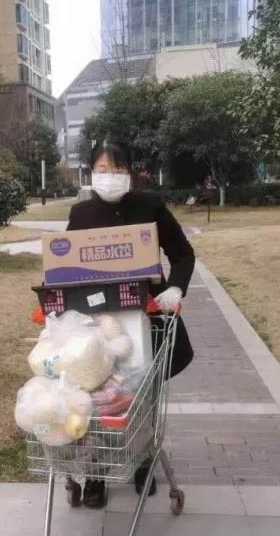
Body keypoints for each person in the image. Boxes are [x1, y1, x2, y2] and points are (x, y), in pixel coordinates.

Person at [68, 138, 196, 508]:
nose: (110, 176)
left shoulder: (150, 206)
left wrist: (174, 288)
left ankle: (142, 463)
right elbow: (67, 268)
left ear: (131, 172)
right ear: (91, 172)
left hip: (148, 318)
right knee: (97, 398)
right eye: (102, 169)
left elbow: (183, 254)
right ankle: (95, 474)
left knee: (141, 395)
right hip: (100, 324)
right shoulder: (81, 214)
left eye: (118, 169)